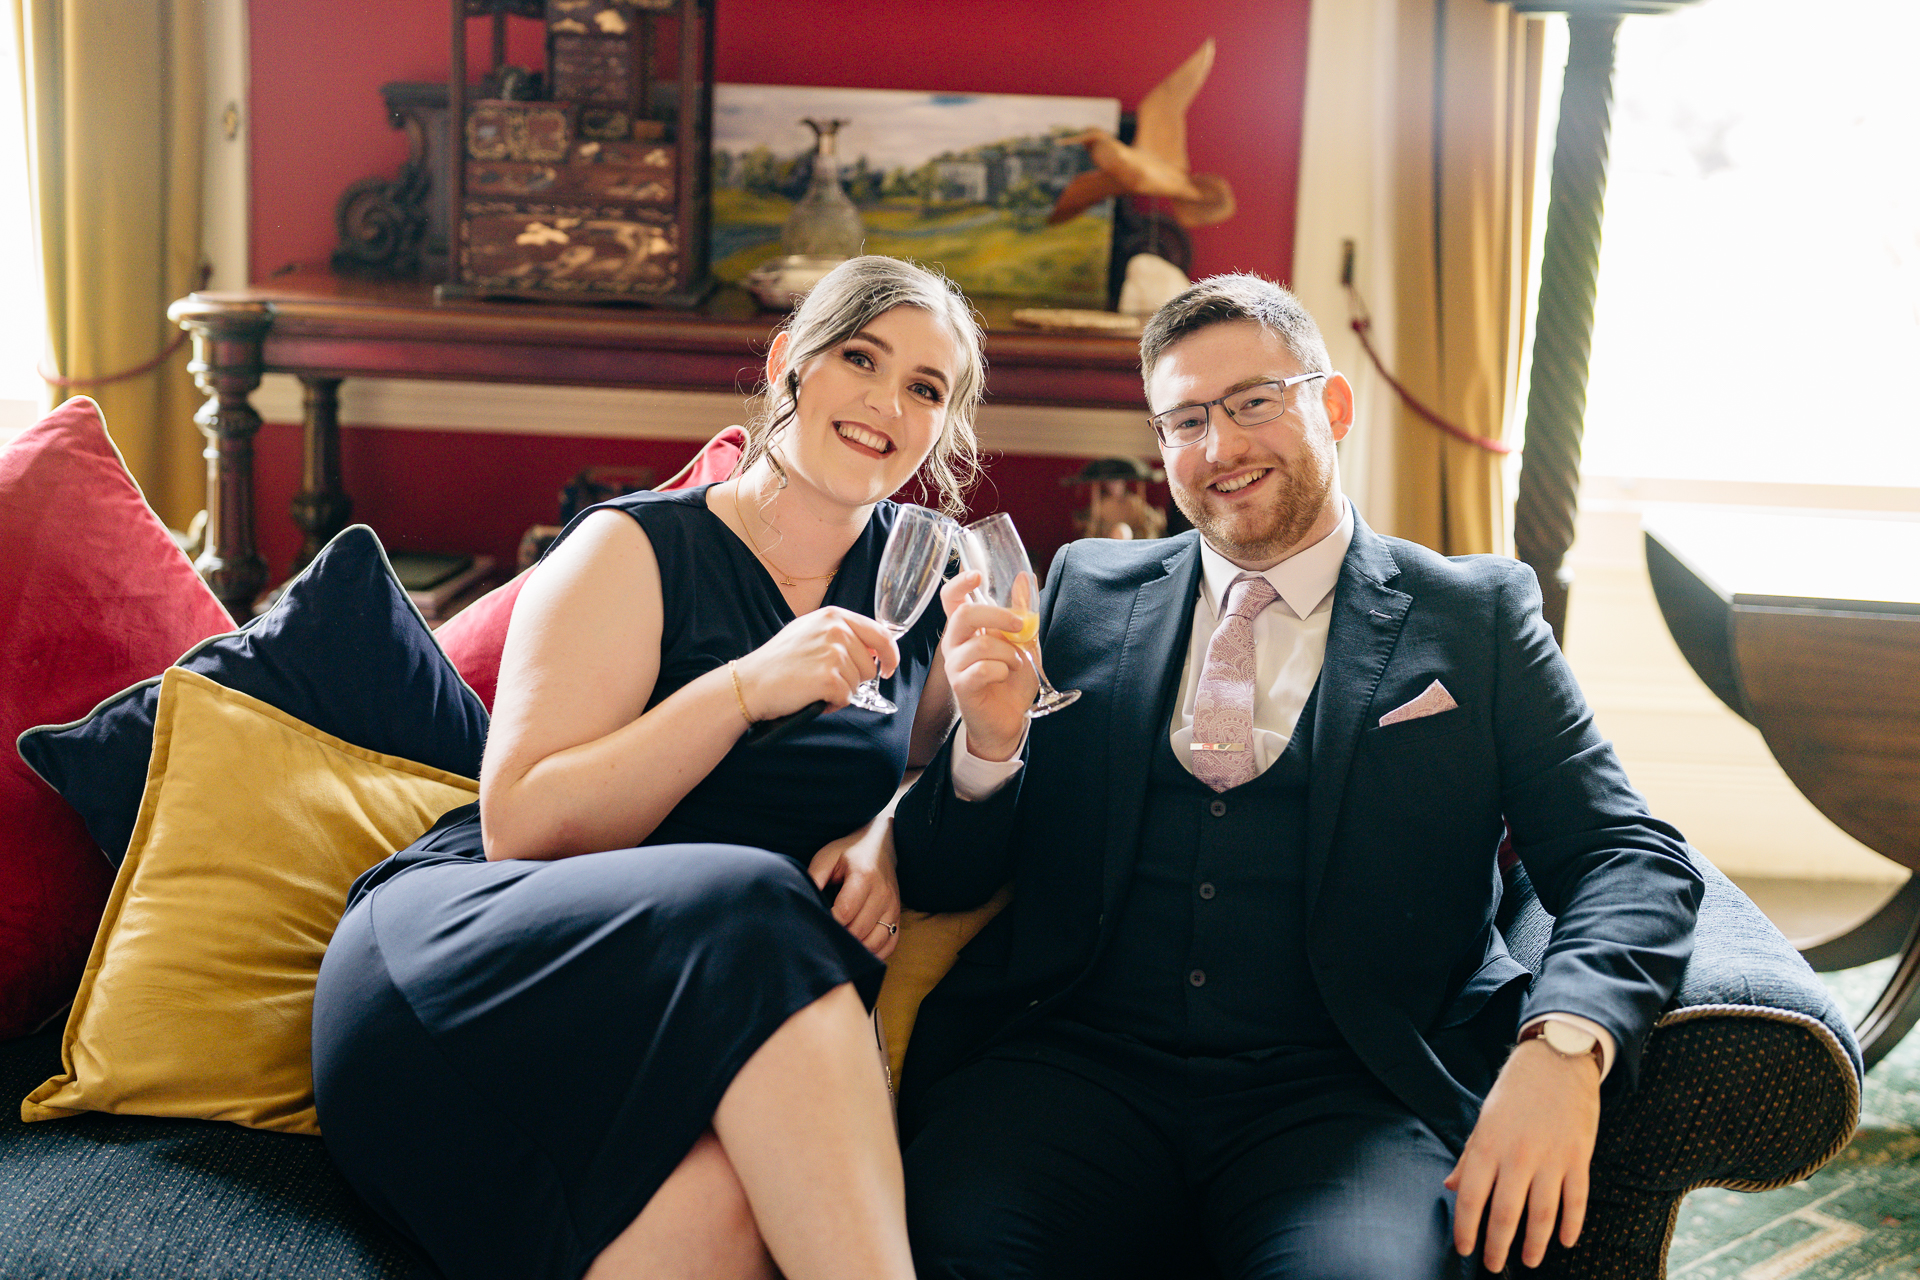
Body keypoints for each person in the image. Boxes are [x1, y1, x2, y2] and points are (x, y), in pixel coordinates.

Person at [895, 274, 1703, 1280]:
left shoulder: (1476, 617)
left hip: (1347, 1094)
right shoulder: (1082, 591)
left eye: (1254, 403)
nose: (1220, 448)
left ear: (1334, 404)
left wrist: (1565, 1045)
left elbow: (1624, 853)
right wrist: (986, 748)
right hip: (1074, 1068)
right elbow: (942, 873)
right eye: (1185, 418)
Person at [311, 255, 986, 1280]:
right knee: (763, 896)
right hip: (488, 978)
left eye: (927, 388)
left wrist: (892, 823)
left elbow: (938, 779)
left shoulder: (920, 583)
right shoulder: (631, 549)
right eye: (861, 356)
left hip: (704, 1018)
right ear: (789, 364)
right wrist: (739, 689)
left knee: (734, 1220)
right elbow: (521, 830)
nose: (889, 401)